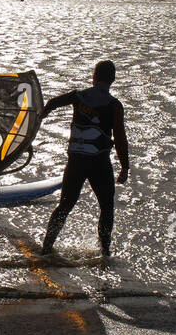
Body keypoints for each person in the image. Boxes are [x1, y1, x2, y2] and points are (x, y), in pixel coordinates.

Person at [40, 60, 129, 257]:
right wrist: (125, 167)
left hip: (76, 162)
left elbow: (52, 103)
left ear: (94, 76)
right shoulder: (114, 106)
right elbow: (120, 139)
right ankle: (105, 253)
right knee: (106, 207)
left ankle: (46, 249)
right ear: (113, 79)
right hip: (99, 163)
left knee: (65, 204)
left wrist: (39, 117)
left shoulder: (78, 97)